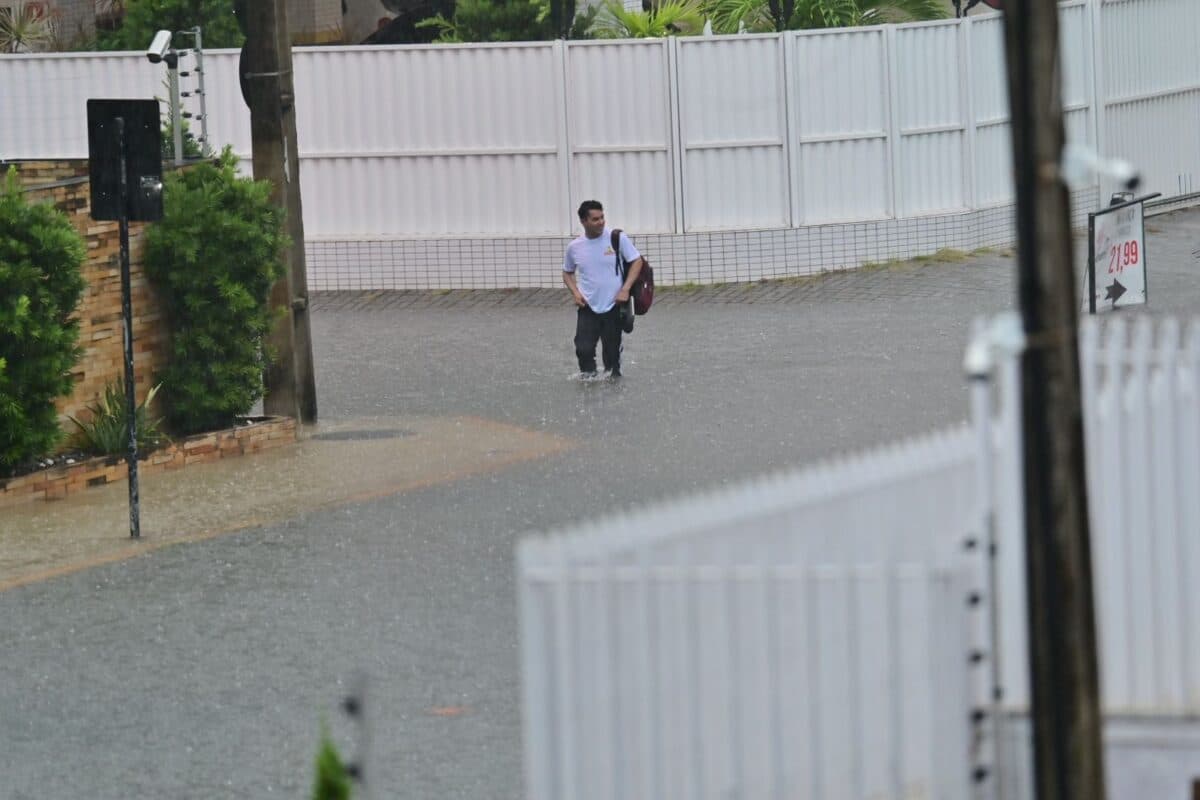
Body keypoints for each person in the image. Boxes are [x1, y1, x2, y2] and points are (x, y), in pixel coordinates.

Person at [562, 200, 645, 378]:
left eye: (602, 217)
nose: (601, 222)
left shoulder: (616, 238)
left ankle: (613, 390)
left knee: (612, 360)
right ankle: (589, 384)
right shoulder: (575, 247)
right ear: (583, 221)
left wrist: (625, 288)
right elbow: (567, 272)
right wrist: (575, 293)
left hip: (614, 305)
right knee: (583, 350)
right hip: (587, 306)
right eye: (595, 219)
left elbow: (637, 261)